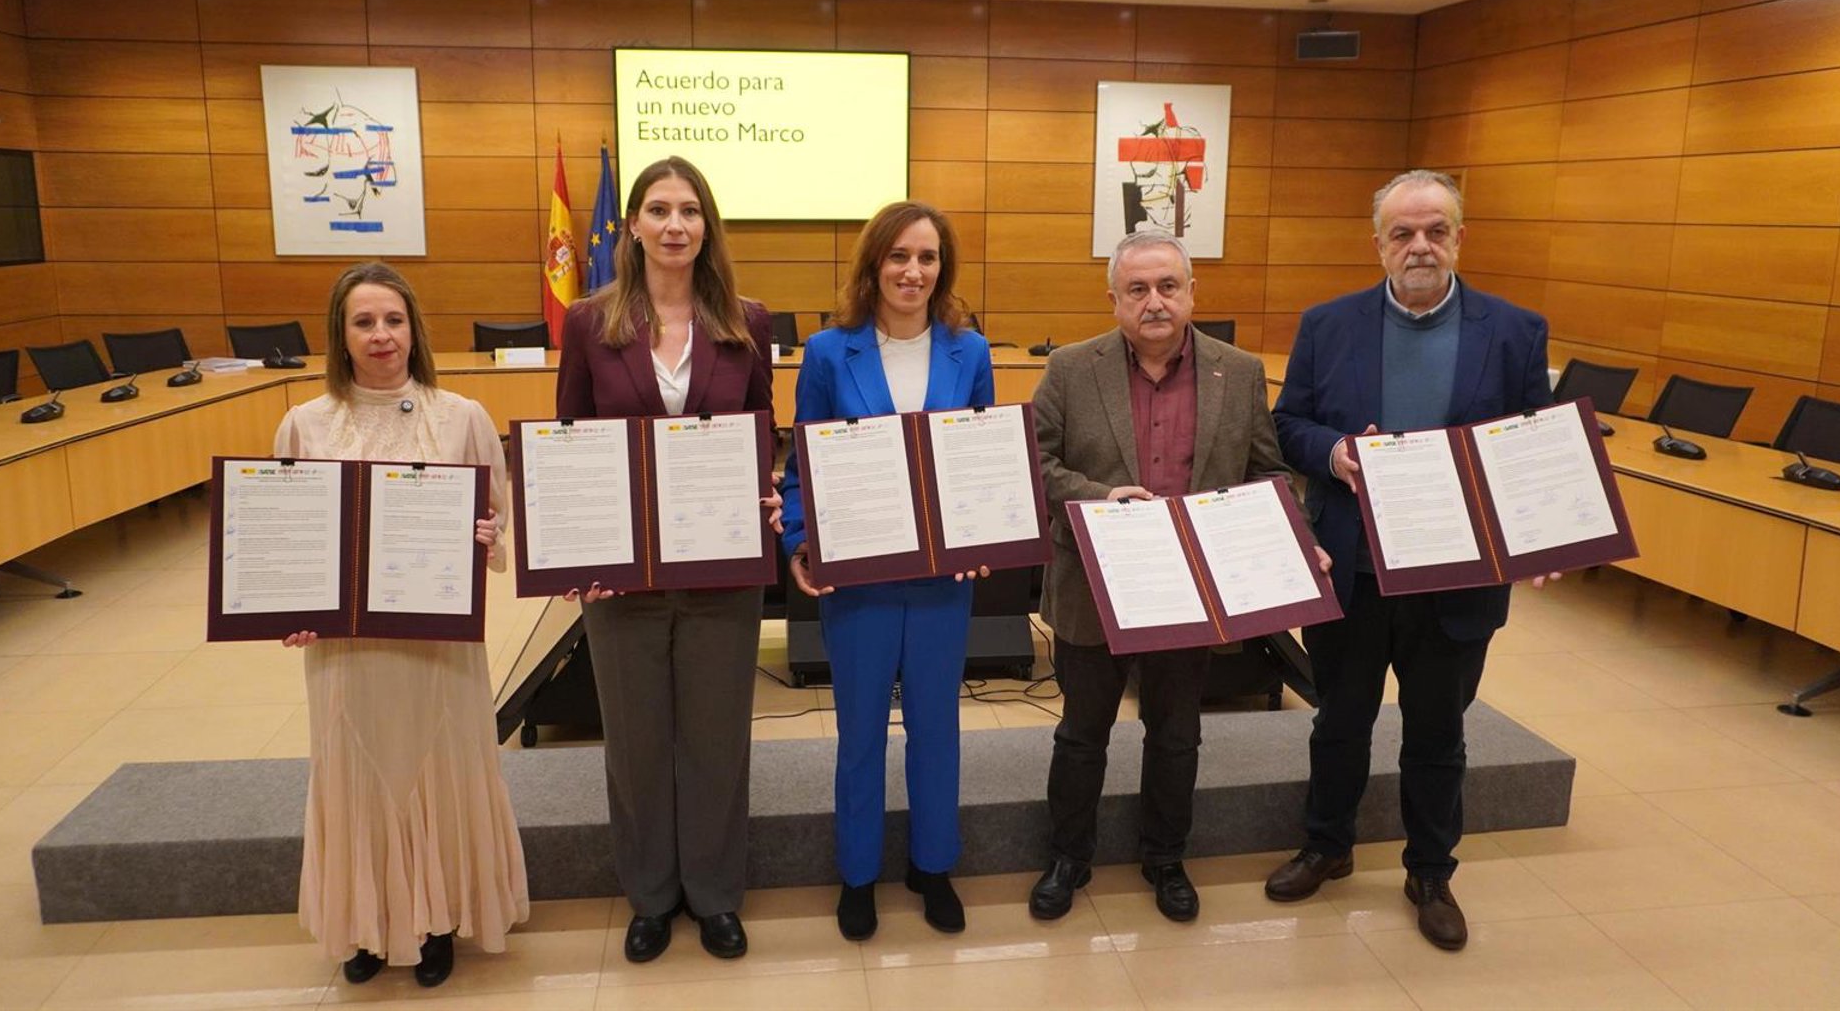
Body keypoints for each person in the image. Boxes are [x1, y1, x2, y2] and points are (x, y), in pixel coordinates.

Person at [1263, 169, 1554, 951]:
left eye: (1435, 231)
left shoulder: (1516, 331)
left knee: (1437, 731)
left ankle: (1430, 871)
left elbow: (1535, 442)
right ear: (1379, 244)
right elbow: (1288, 424)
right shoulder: (1328, 325)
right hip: (1353, 568)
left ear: (1459, 238)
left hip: (1459, 575)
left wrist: (1548, 529)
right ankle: (1327, 845)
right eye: (1403, 233)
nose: (1420, 245)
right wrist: (1334, 453)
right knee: (1339, 720)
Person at [1026, 228, 1316, 925]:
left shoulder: (1238, 372)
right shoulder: (1070, 368)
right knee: (1082, 733)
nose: (1154, 301)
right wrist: (1101, 497)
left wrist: (1290, 538)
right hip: (1094, 585)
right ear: (1114, 299)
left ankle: (1165, 858)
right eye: (1137, 289)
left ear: (1191, 292)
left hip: (1192, 591)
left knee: (1177, 733)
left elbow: (1269, 472)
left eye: (1167, 286)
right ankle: (1067, 857)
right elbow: (1035, 463)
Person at [276, 261, 528, 988]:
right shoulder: (304, 424)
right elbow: (289, 537)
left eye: (393, 319)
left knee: (441, 767)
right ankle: (367, 922)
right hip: (348, 651)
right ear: (340, 335)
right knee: (355, 773)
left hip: (438, 642)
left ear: (414, 329)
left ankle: (438, 917)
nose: (381, 334)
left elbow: (499, 520)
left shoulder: (463, 417)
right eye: (363, 322)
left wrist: (485, 535)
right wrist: (291, 607)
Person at [553, 155, 778, 964]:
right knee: (636, 741)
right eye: (659, 209)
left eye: (689, 210)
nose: (674, 224)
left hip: (722, 570)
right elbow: (570, 437)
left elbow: (762, 428)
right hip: (623, 574)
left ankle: (715, 895)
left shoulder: (746, 321)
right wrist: (571, 543)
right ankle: (649, 896)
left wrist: (768, 490)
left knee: (717, 739)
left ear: (707, 225)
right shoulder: (589, 322)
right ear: (634, 225)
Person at [781, 199, 993, 941]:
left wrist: (985, 534)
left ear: (943, 268)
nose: (913, 271)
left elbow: (981, 459)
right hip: (858, 580)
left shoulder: (971, 351)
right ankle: (858, 873)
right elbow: (800, 464)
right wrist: (801, 542)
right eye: (899, 255)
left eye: (927, 257)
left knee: (937, 729)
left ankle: (933, 866)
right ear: (874, 264)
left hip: (940, 583)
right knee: (861, 732)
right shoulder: (827, 352)